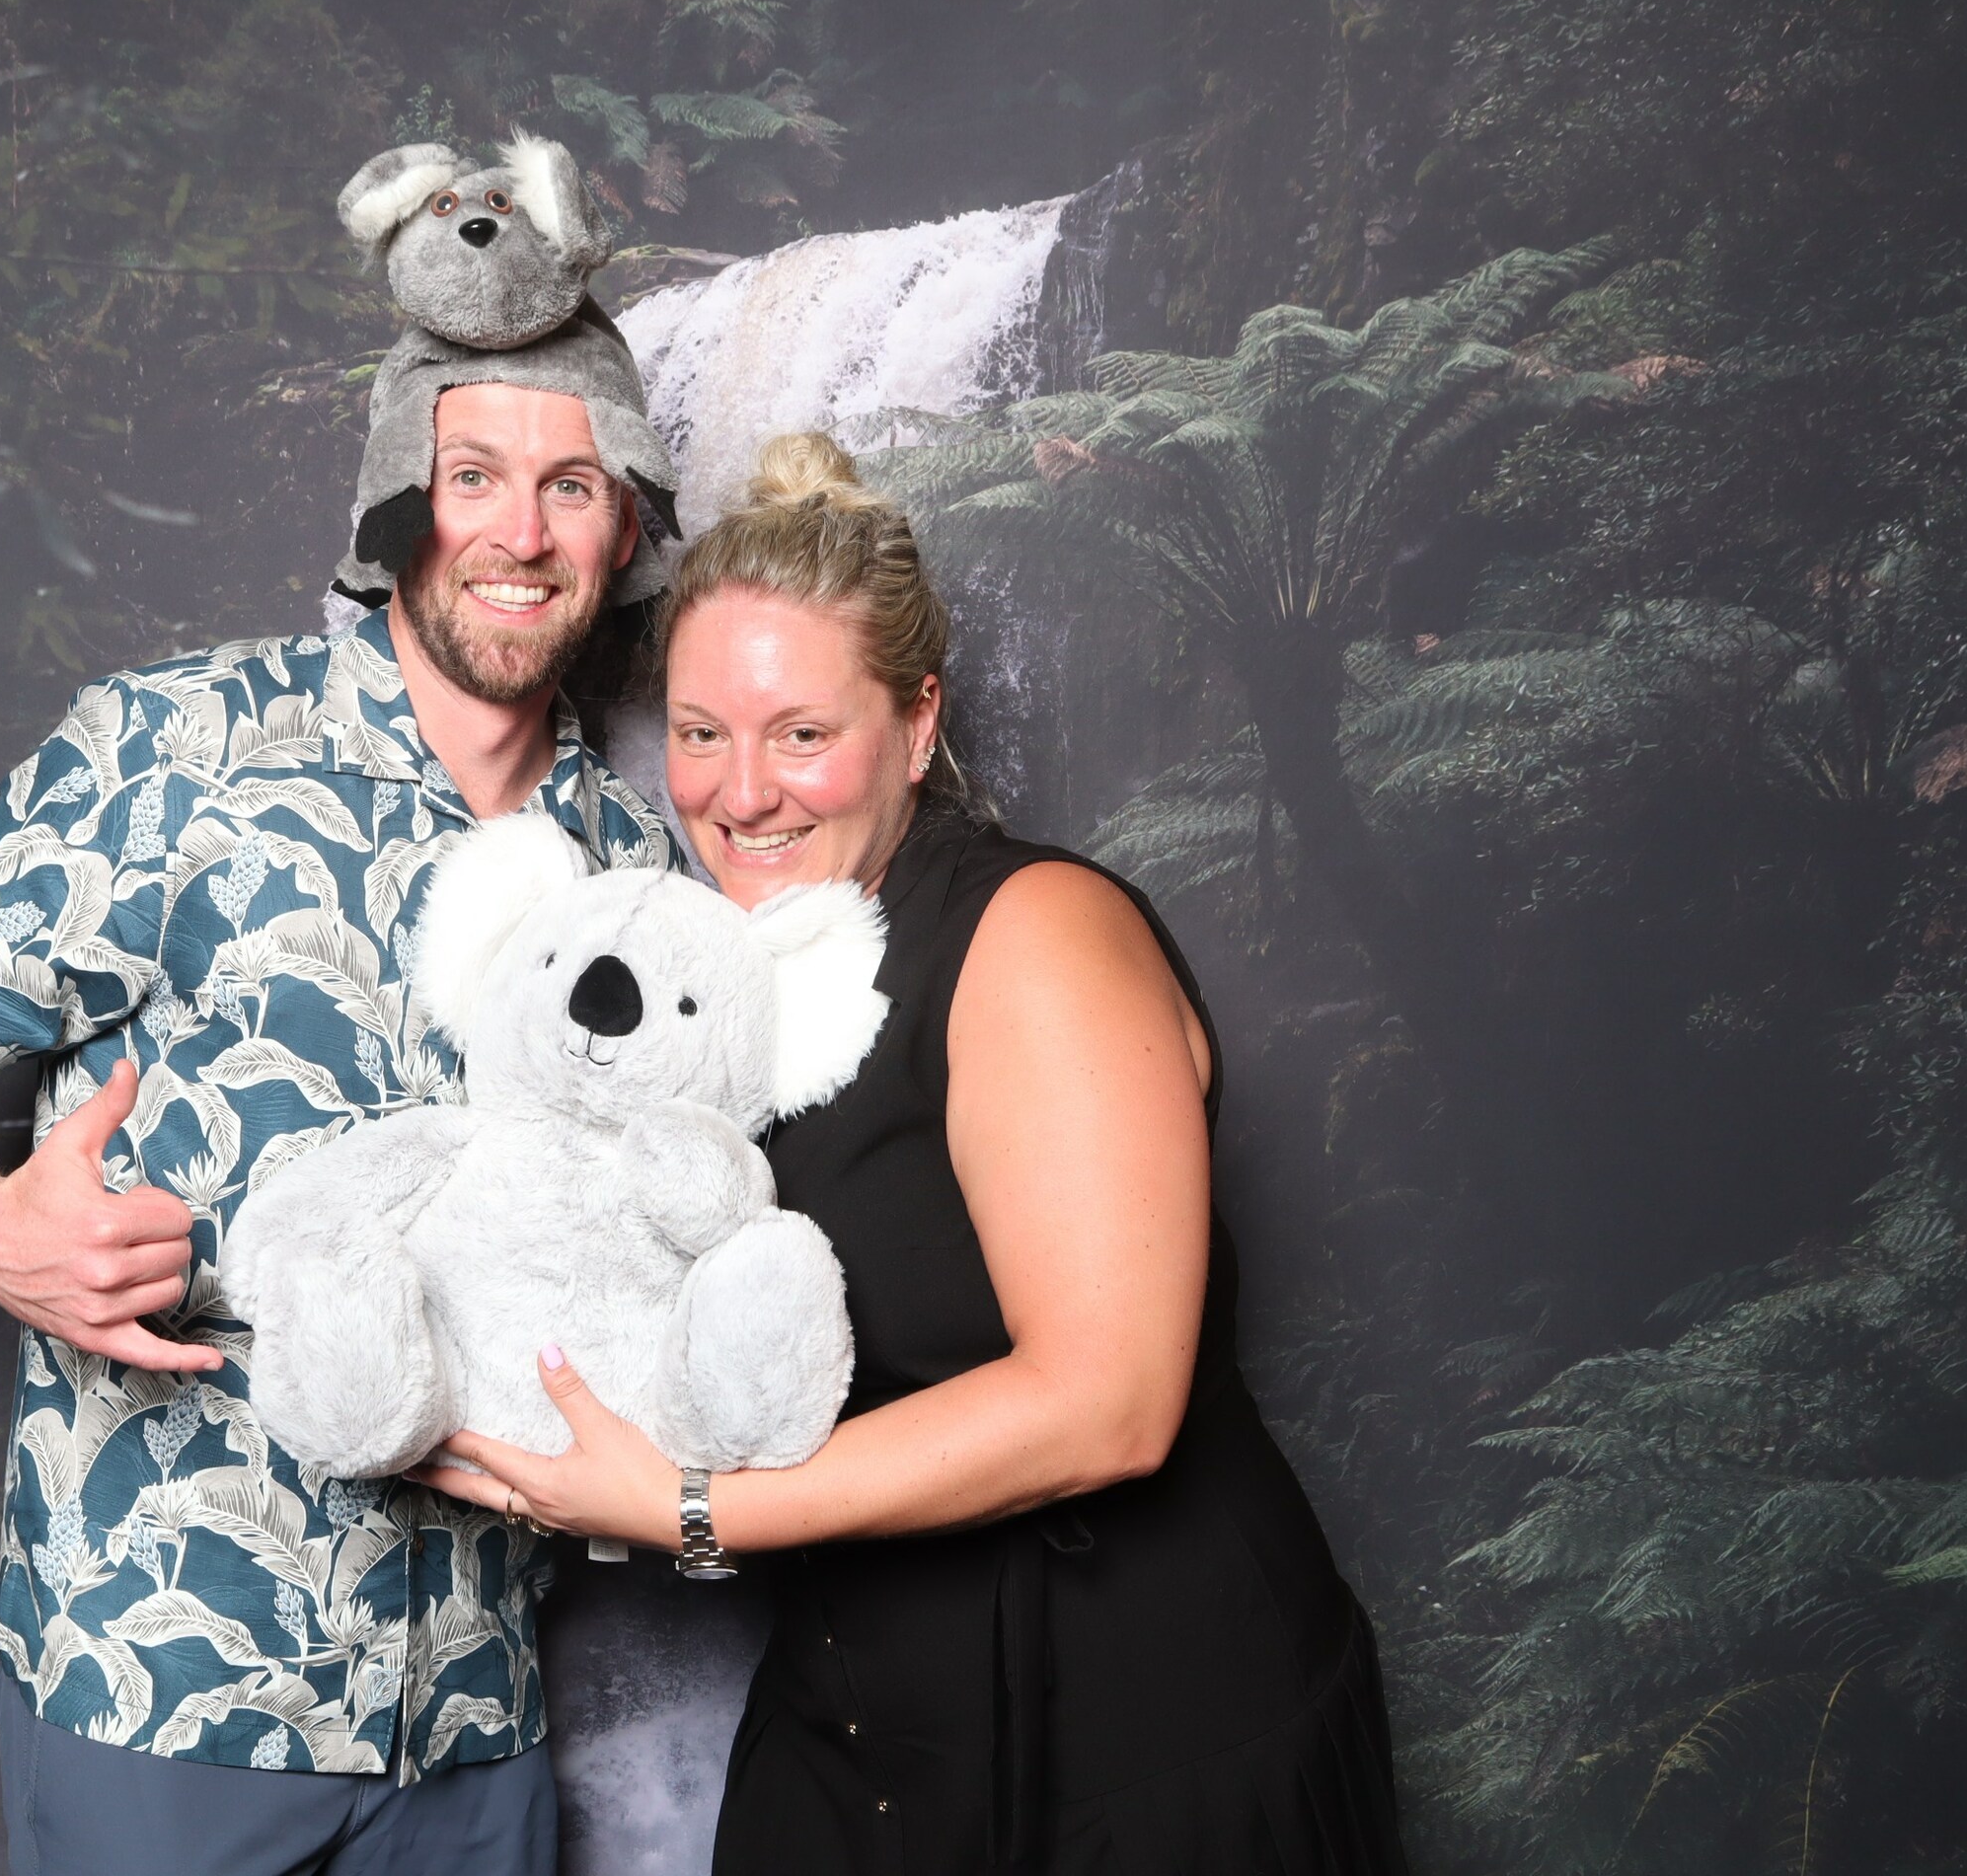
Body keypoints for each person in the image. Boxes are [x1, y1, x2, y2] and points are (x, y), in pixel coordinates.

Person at [418, 433, 1409, 1874]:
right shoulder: (726, 987)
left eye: (801, 735)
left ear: (920, 721)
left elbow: (1112, 1403)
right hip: (863, 1732)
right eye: (699, 733)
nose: (740, 794)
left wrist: (693, 1514)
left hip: (1148, 1744)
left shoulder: (1039, 938)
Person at [0, 367, 678, 1875]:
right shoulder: (177, 745)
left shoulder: (635, 866)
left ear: (623, 529)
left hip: (476, 1708)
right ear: (400, 502)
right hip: (168, 1693)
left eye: (573, 486)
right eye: (474, 476)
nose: (523, 533)